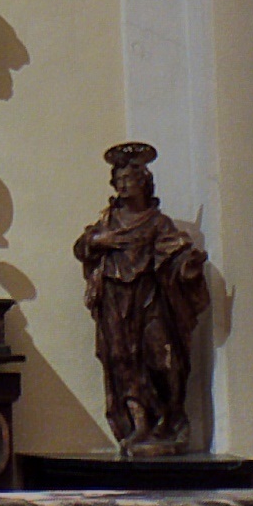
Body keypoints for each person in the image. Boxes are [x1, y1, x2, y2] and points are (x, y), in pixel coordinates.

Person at [72, 142, 212, 454]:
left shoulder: (157, 222)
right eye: (118, 181)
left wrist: (189, 265)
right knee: (123, 361)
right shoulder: (108, 222)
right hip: (115, 300)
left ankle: (170, 417)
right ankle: (139, 426)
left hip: (149, 300)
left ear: (144, 183)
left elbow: (175, 255)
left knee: (162, 358)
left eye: (129, 180)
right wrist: (98, 241)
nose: (123, 186)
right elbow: (82, 247)